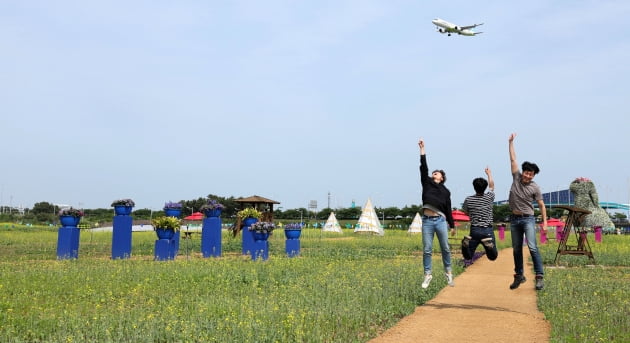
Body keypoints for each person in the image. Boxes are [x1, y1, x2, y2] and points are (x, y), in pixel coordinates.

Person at [508, 133, 547, 290]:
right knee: (516, 249)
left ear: (533, 175)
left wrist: (544, 222)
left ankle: (539, 277)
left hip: (528, 219)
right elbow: (513, 159)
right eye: (526, 172)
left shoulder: (535, 187)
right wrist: (511, 142)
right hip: (514, 219)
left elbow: (541, 205)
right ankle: (519, 275)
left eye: (531, 174)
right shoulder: (516, 177)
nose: (527, 176)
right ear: (523, 172)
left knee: (532, 247)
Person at [418, 138, 455, 289]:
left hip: (440, 220)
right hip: (427, 220)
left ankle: (448, 272)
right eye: (434, 172)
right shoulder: (427, 182)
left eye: (438, 173)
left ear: (442, 178)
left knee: (445, 247)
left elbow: (448, 209)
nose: (435, 173)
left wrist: (452, 226)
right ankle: (428, 275)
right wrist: (422, 150)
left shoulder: (446, 191)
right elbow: (424, 168)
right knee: (427, 249)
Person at [461, 167, 498, 262]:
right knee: (493, 257)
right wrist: (489, 174)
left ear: (474, 187)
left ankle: (465, 245)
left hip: (475, 230)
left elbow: (465, 211)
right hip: (487, 230)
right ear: (485, 187)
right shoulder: (489, 197)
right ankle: (489, 246)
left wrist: (471, 213)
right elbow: (492, 186)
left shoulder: (468, 199)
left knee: (468, 256)